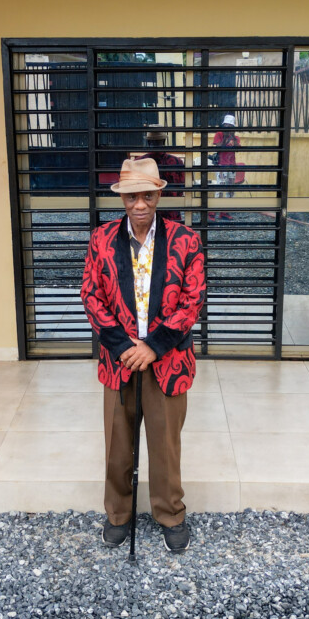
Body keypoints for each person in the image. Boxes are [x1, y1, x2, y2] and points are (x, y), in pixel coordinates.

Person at [80, 155, 206, 553]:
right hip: (119, 361)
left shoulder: (186, 239)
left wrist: (153, 346)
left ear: (158, 195)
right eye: (132, 196)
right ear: (122, 197)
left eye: (147, 196)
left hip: (166, 361)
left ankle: (170, 514)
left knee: (165, 445)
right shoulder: (101, 239)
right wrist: (123, 347)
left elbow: (193, 299)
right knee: (119, 444)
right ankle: (118, 513)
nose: (140, 205)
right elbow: (90, 295)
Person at [143, 129, 185, 222]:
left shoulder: (139, 162)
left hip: (147, 210)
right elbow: (182, 187)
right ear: (164, 142)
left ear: (148, 142)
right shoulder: (177, 162)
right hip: (171, 211)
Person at [211, 114, 245, 221]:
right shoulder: (219, 134)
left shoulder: (235, 138)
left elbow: (238, 148)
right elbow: (218, 146)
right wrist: (226, 137)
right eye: (226, 126)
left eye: (230, 126)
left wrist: (232, 138)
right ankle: (212, 213)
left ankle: (224, 212)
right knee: (219, 189)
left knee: (230, 190)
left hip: (231, 166)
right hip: (221, 165)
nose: (228, 128)